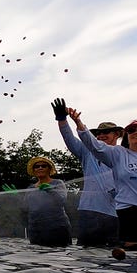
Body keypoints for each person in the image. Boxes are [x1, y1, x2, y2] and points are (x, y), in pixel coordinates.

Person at [69, 110, 137, 250]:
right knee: (136, 256)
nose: (136, 132)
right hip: (133, 212)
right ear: (127, 135)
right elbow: (93, 145)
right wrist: (78, 123)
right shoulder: (117, 154)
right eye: (131, 130)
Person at [52, 98, 120, 246]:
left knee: (115, 255)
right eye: (98, 133)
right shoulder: (87, 151)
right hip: (89, 210)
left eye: (106, 132)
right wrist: (62, 120)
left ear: (117, 134)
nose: (101, 135)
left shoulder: (123, 154)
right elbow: (69, 138)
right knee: (87, 254)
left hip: (116, 213)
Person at [22, 156, 72, 246]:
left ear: (49, 169)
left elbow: (62, 200)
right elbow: (25, 208)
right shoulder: (31, 188)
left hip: (57, 227)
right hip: (36, 229)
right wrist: (14, 195)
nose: (40, 168)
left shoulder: (57, 183)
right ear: (34, 170)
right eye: (37, 166)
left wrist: (51, 190)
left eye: (43, 166)